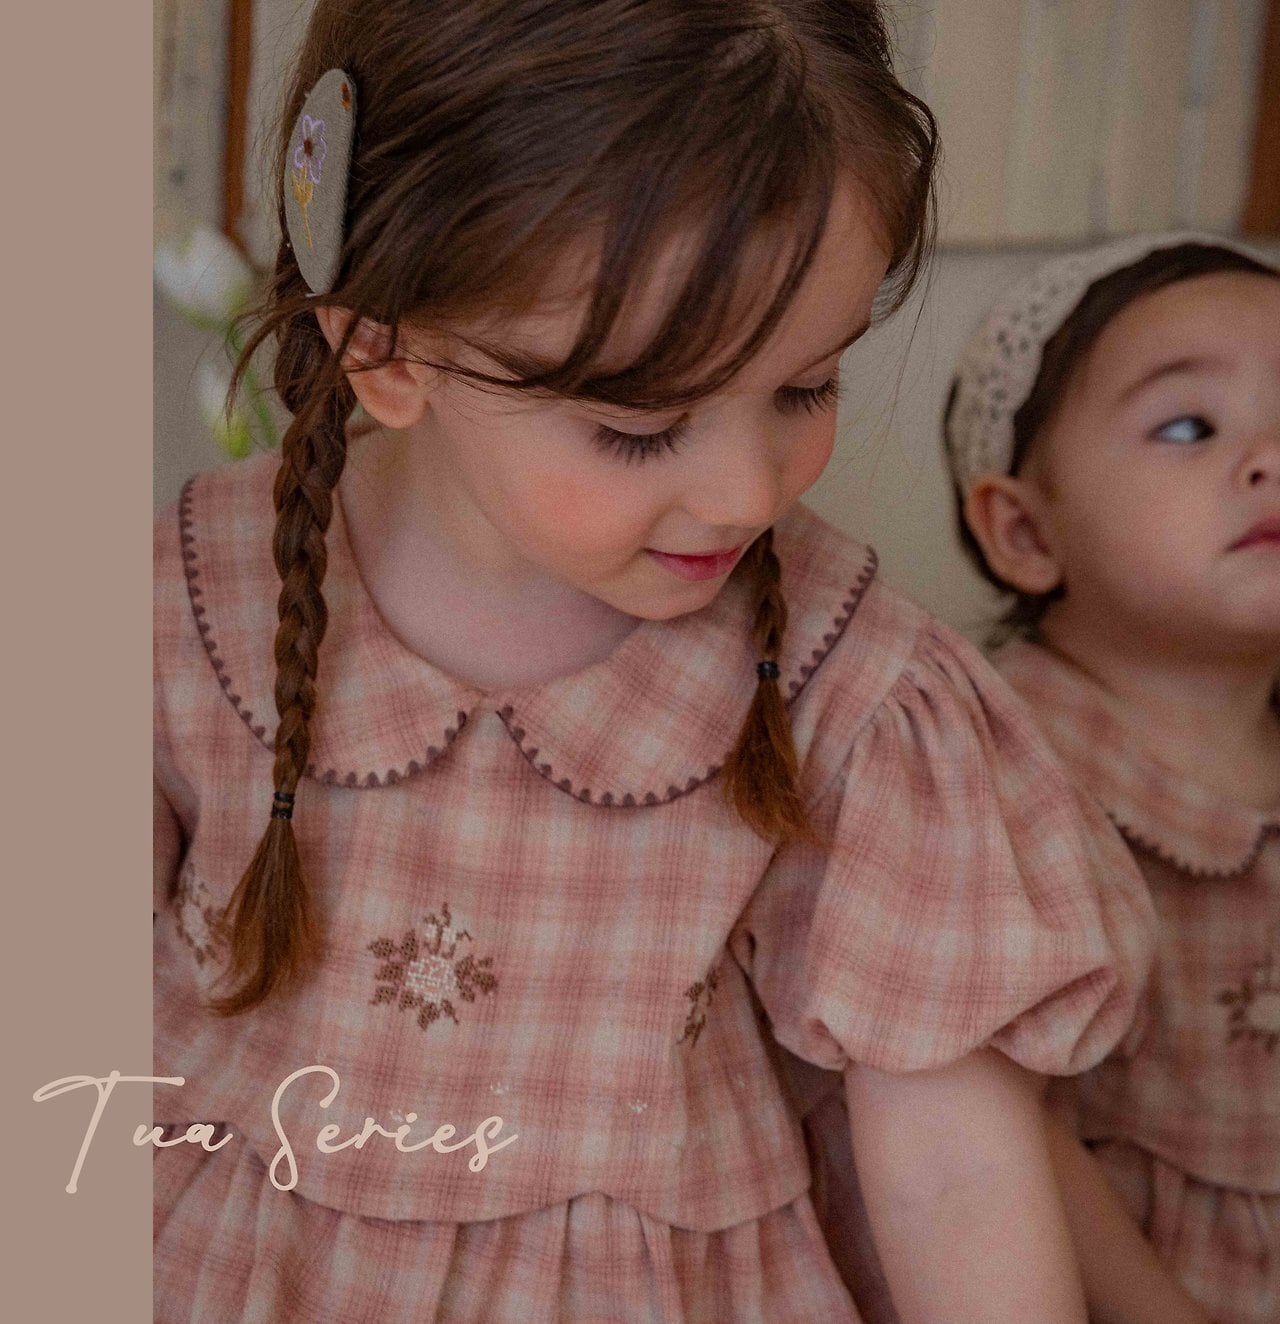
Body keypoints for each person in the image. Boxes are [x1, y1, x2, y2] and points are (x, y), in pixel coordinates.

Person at [153, 4, 1156, 1319]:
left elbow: (953, 1168)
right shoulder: (178, 607)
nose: (747, 492)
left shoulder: (858, 684)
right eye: (640, 428)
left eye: (806, 389)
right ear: (382, 352)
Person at [946, 234, 1280, 1324]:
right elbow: (1003, 1133)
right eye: (1188, 427)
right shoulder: (998, 766)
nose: (1269, 458)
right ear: (1025, 532)